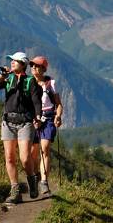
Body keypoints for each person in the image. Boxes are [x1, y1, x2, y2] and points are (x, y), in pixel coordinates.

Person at [0, 51, 44, 204]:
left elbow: (36, 101)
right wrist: (1, 77)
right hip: (8, 122)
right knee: (10, 158)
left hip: (25, 122)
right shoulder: (8, 78)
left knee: (25, 159)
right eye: (11, 60)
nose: (12, 62)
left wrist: (38, 117)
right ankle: (15, 190)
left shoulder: (30, 81)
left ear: (23, 64)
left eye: (15, 61)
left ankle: (32, 179)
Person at [29, 56, 62, 196]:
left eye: (37, 66)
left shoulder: (50, 84)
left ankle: (44, 181)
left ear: (43, 69)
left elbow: (58, 104)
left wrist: (58, 116)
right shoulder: (28, 83)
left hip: (48, 117)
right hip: (32, 119)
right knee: (33, 153)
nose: (34, 68)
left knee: (45, 149)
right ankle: (36, 176)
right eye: (32, 65)